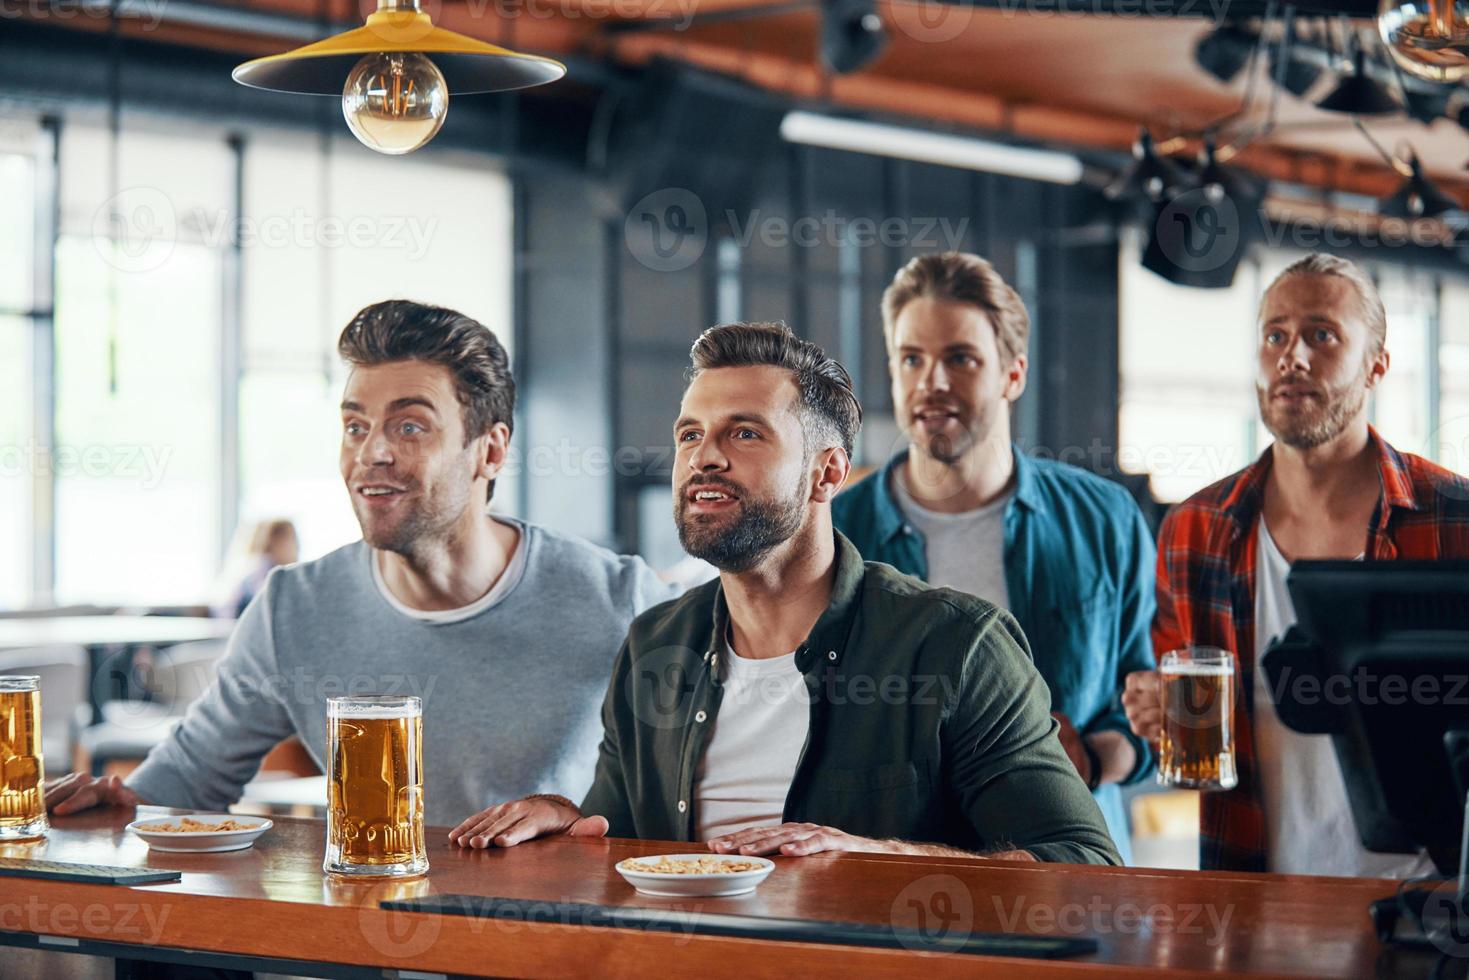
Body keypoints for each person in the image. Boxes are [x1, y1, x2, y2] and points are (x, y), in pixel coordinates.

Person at [449, 322, 1121, 865]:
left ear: (825, 472)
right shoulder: (656, 646)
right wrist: (567, 825)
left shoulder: (955, 645)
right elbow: (621, 843)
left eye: (744, 432)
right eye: (690, 434)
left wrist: (879, 858)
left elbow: (1083, 865)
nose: (704, 456)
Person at [45, 300, 677, 825]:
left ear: (489, 451)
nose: (370, 453)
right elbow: (187, 779)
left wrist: (579, 817)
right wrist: (116, 802)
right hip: (366, 940)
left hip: (556, 948)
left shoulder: (618, 600)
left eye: (409, 427)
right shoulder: (295, 610)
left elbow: (685, 802)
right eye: (355, 427)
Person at [1123, 253, 1469, 875]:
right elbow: (1187, 742)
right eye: (1275, 335)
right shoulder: (1195, 530)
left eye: (1322, 335)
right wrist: (1157, 718)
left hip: (1430, 902)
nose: (1293, 357)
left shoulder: (1456, 520)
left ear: (1377, 365)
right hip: (1253, 892)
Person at [831, 252, 1155, 862]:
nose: (932, 381)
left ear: (1013, 373)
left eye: (960, 358)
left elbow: (1149, 701)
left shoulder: (1104, 519)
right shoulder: (837, 530)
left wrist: (1093, 754)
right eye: (912, 359)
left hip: (1069, 870)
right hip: (891, 872)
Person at [211, 518, 299, 618]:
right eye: (291, 539)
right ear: (273, 541)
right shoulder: (261, 566)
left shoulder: (249, 563)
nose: (297, 546)